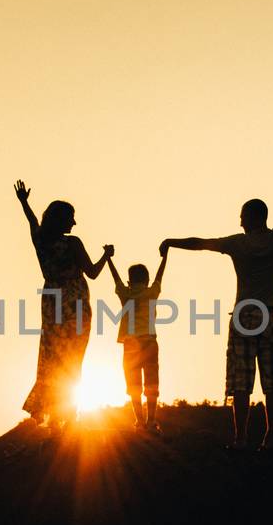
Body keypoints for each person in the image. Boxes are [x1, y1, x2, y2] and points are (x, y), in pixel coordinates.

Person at [161, 155, 273, 450]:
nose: (239, 220)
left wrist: (171, 241)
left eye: (243, 215)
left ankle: (241, 439)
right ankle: (270, 439)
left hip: (245, 315)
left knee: (240, 379)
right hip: (272, 315)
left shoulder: (237, 243)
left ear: (252, 217)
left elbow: (200, 242)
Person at [14, 180, 112, 430]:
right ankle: (69, 418)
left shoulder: (40, 241)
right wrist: (107, 256)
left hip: (51, 303)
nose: (75, 223)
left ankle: (57, 417)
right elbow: (92, 272)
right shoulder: (72, 243)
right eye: (71, 217)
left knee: (53, 359)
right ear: (62, 219)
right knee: (73, 360)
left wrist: (24, 202)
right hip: (75, 305)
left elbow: (32, 221)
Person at [107, 248, 169, 431]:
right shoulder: (152, 292)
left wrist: (109, 260)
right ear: (147, 280)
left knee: (133, 383)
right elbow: (160, 274)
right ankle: (151, 421)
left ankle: (139, 422)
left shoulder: (125, 294)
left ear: (129, 281)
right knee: (151, 382)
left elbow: (115, 277)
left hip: (131, 344)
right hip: (149, 342)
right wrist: (165, 256)